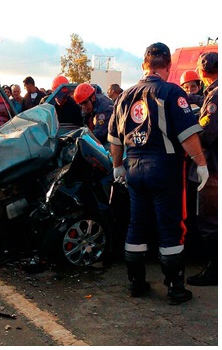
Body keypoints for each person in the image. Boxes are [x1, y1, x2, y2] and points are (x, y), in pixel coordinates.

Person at [108, 42, 208, 305]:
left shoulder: (125, 96)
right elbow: (188, 135)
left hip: (134, 169)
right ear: (168, 65)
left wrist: (118, 166)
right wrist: (201, 163)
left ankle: (136, 283)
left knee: (136, 226)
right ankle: (175, 287)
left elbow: (115, 140)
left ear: (144, 65)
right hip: (165, 169)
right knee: (172, 227)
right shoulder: (171, 91)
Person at [187, 52, 218, 286]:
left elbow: (208, 133)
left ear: (202, 72)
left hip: (214, 167)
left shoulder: (215, 96)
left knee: (209, 220)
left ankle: (214, 270)